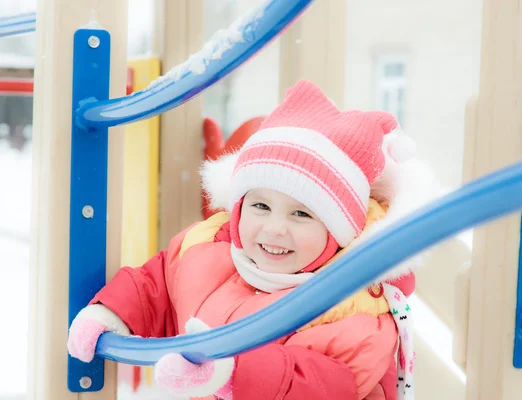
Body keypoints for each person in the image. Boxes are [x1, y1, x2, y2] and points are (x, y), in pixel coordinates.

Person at [67, 80, 431, 400]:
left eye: (301, 214)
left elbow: (323, 385)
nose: (274, 228)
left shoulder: (354, 308)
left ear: (339, 233)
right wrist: (112, 313)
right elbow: (160, 284)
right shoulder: (210, 248)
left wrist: (230, 373)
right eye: (260, 205)